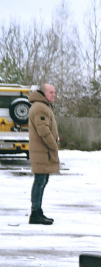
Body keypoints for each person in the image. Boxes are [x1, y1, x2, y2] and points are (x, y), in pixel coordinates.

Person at [27, 83, 59, 225]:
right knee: (40, 182)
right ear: (43, 93)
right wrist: (54, 146)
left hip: (43, 152)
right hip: (42, 152)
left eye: (54, 92)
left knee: (42, 181)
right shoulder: (40, 107)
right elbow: (44, 131)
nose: (54, 94)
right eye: (51, 92)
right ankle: (35, 213)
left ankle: (37, 211)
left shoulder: (43, 106)